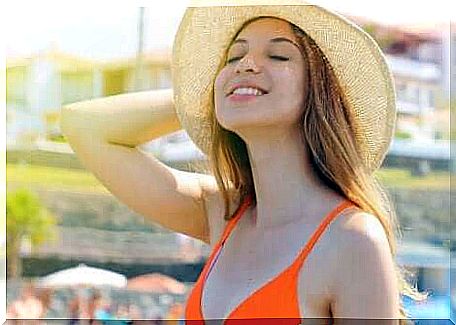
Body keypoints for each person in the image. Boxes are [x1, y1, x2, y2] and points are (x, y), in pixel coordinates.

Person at [59, 0, 428, 323]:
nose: (247, 63)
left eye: (279, 55)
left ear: (320, 91)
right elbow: (84, 126)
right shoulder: (223, 213)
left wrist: (237, 85)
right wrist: (210, 93)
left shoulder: (352, 240)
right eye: (234, 57)